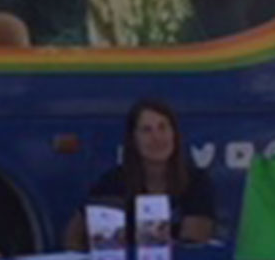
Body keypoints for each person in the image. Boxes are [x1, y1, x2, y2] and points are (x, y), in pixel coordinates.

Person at [64, 97, 218, 250]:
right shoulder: (113, 182)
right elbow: (74, 235)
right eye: (146, 130)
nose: (156, 138)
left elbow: (193, 242)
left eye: (162, 128)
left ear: (174, 134)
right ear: (133, 140)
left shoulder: (195, 181)